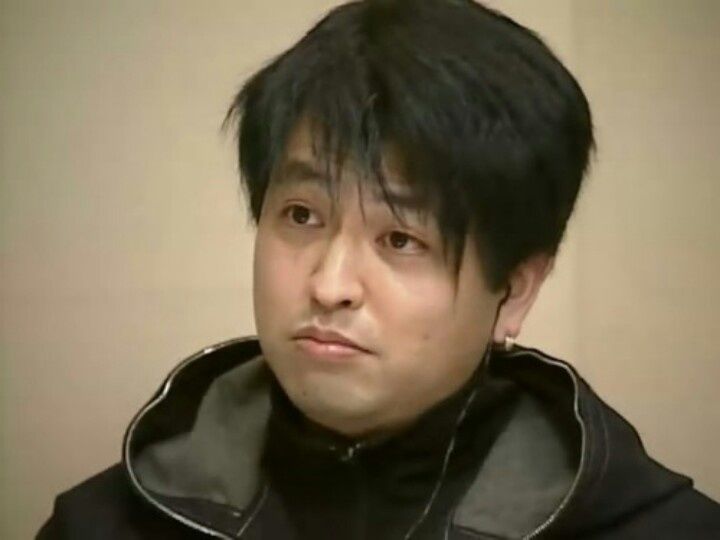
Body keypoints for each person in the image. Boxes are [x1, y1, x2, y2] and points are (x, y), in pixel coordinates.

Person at [38, 0, 720, 538]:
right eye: (301, 214)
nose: (329, 286)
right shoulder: (103, 525)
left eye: (400, 238)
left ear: (515, 290)